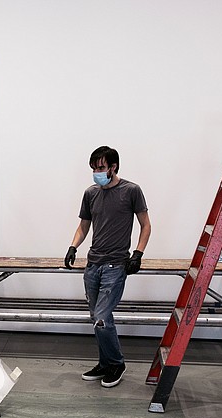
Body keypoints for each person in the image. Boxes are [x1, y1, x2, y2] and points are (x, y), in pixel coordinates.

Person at [64, 146, 151, 388]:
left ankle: (117, 363)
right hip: (93, 265)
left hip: (115, 265)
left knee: (101, 317)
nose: (96, 173)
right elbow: (83, 226)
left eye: (101, 168)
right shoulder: (90, 193)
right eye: (93, 168)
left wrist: (138, 253)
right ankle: (105, 363)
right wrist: (73, 247)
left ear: (113, 167)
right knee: (97, 318)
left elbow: (146, 225)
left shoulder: (131, 191)